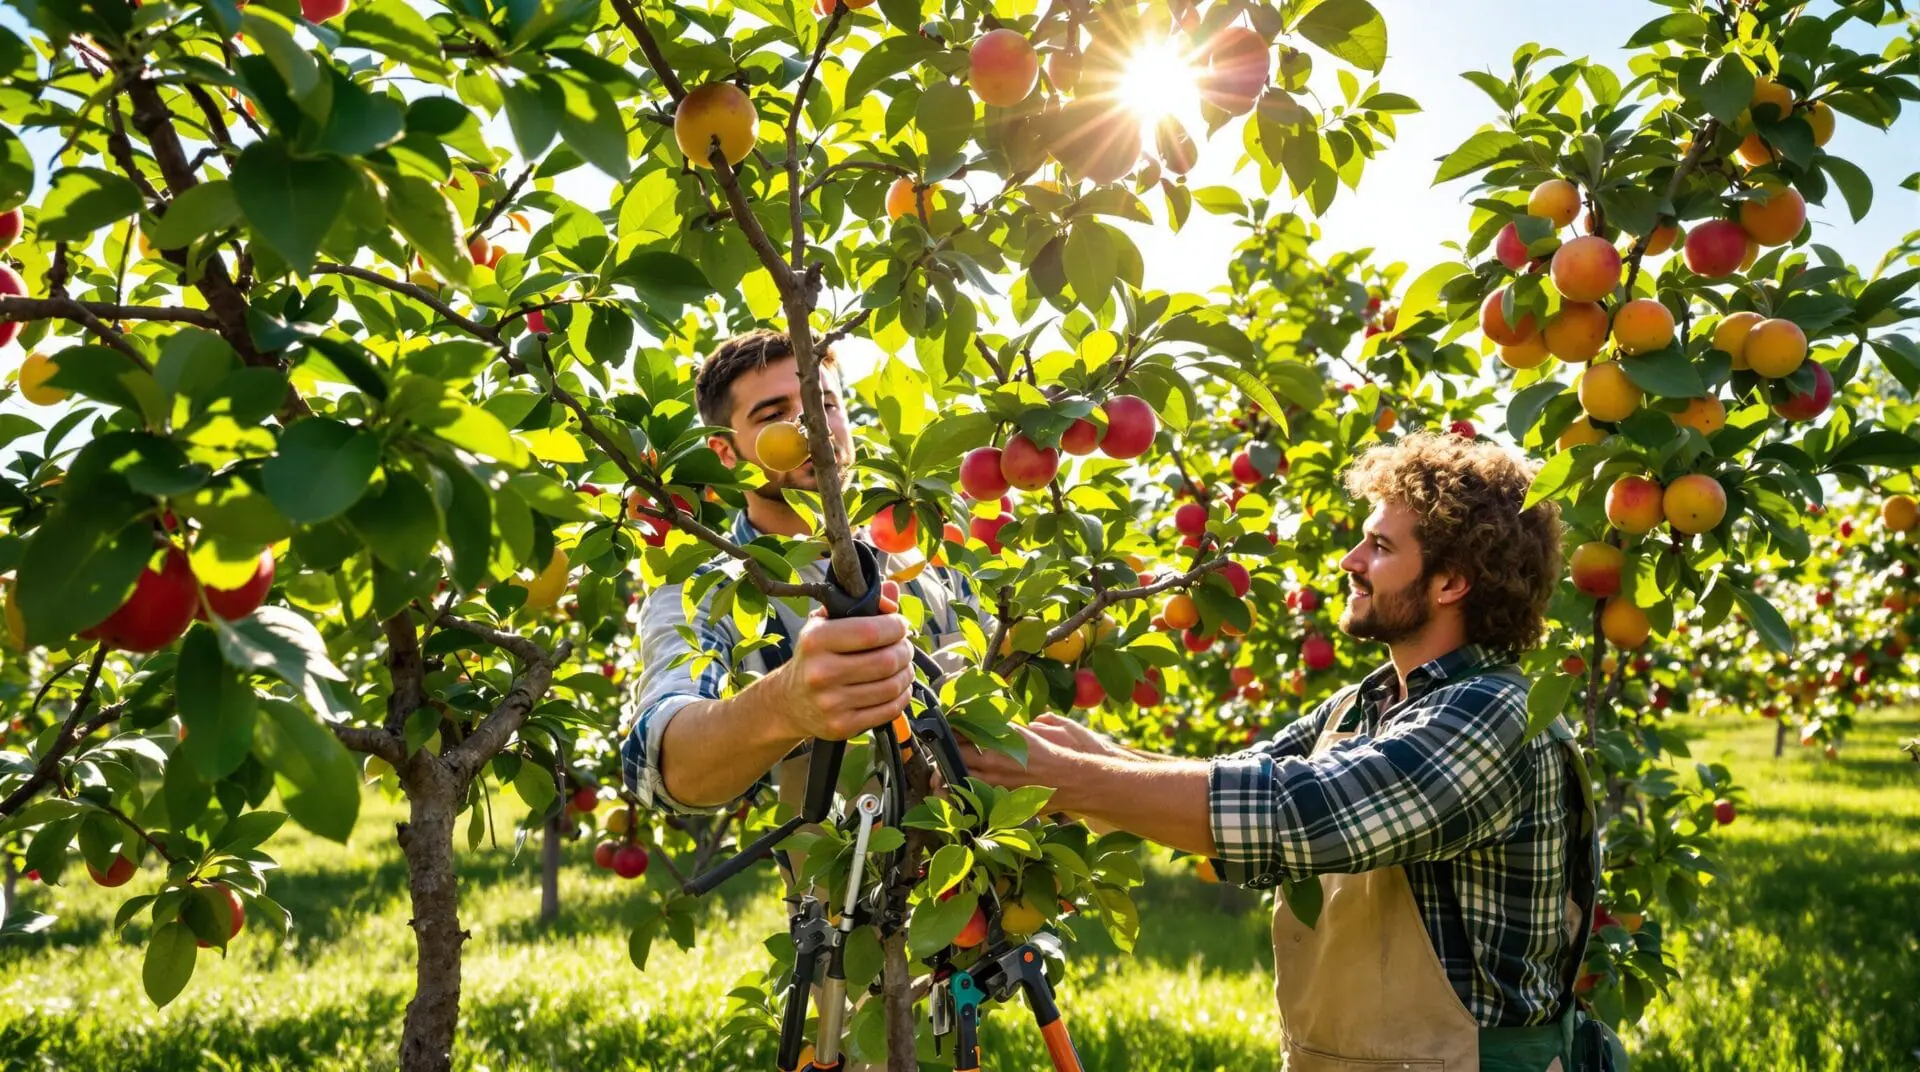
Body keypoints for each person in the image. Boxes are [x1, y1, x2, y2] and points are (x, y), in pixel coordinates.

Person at [962, 432, 1624, 1071]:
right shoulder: (1368, 704)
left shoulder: (1493, 717)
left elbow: (1295, 814)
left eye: (1379, 547)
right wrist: (1090, 754)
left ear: (1450, 584)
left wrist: (1068, 776)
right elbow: (1238, 786)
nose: (1350, 562)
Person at [621, 328, 984, 825]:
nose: (813, 424)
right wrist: (786, 703)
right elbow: (663, 764)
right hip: (844, 894)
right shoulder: (702, 586)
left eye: (826, 403)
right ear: (724, 453)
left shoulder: (927, 551)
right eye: (774, 415)